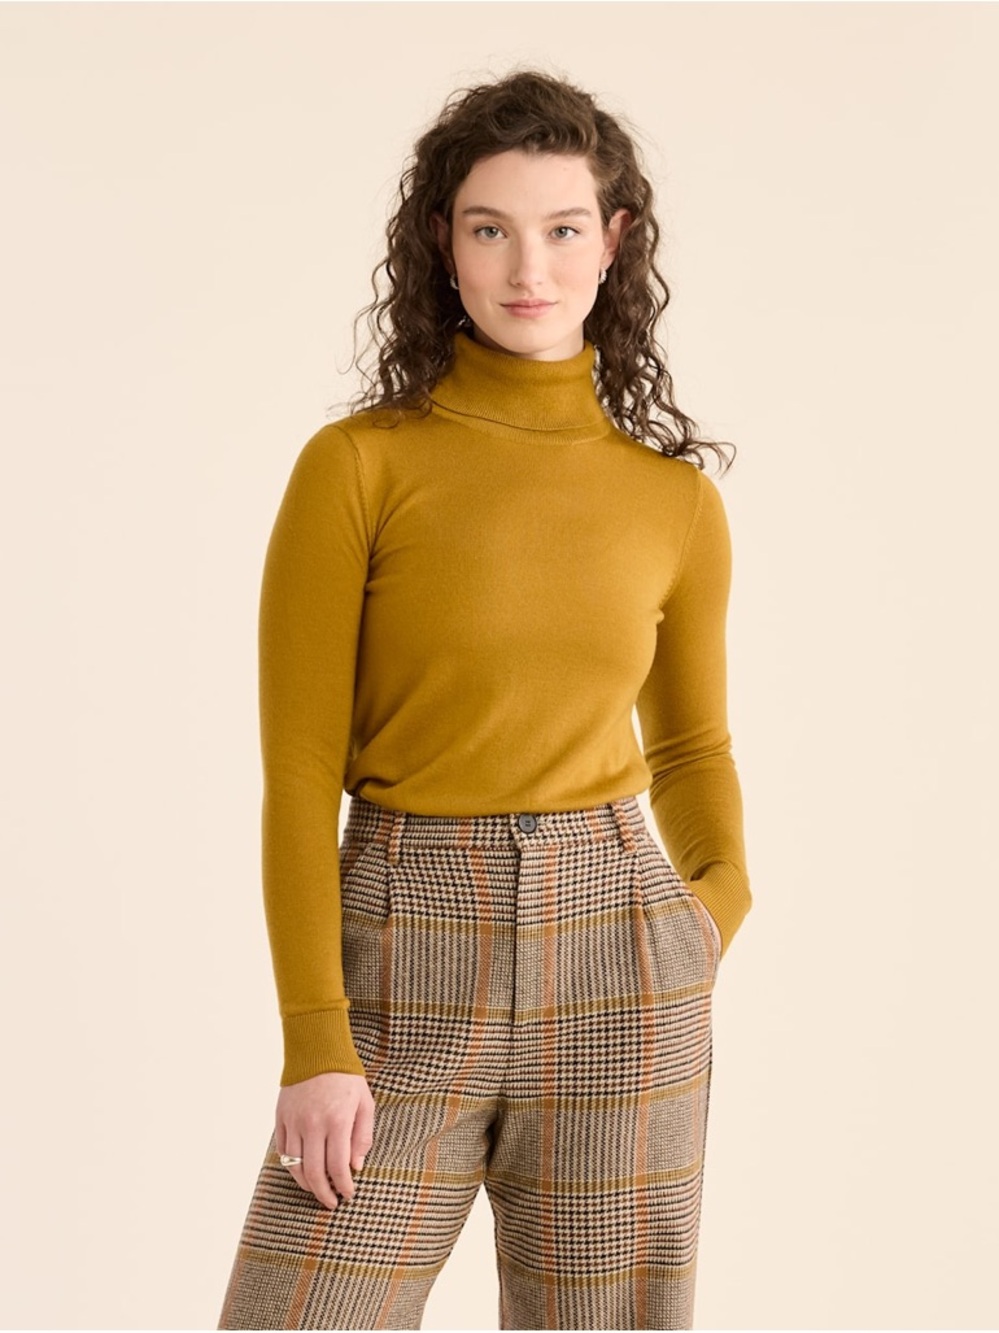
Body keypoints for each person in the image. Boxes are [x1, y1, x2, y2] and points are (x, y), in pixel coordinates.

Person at [217, 68, 752, 1332]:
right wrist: (316, 1037)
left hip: (622, 955)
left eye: (562, 229)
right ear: (442, 244)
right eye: (490, 228)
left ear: (614, 241)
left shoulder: (672, 502)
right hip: (403, 936)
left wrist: (711, 910)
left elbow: (693, 745)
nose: (529, 268)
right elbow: (299, 772)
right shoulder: (358, 466)